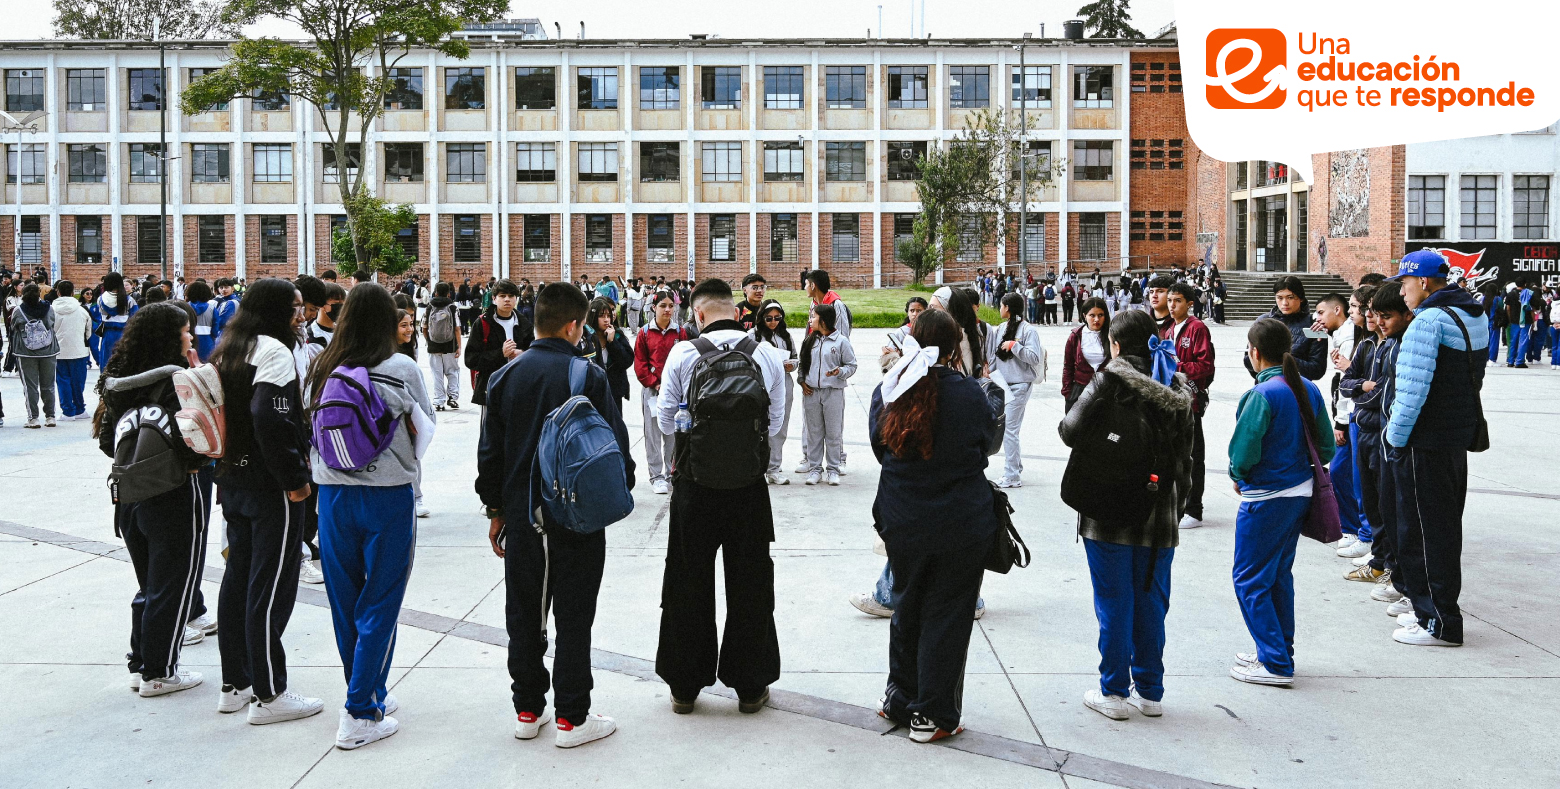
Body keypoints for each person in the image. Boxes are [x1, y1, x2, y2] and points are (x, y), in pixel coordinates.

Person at [476, 282, 634, 748]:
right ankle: (572, 717)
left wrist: (496, 509)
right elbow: (614, 448)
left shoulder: (504, 376)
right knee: (574, 616)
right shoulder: (587, 376)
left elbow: (490, 455)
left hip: (523, 517)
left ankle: (528, 710)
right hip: (577, 518)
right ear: (573, 325)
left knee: (524, 614)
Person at [305, 283, 433, 750]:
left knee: (346, 602)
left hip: (332, 495)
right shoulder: (401, 368)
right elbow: (425, 423)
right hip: (387, 495)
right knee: (381, 601)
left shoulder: (322, 365)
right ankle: (359, 710)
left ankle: (369, 691)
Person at [654, 278, 787, 717]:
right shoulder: (765, 354)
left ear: (699, 314)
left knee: (687, 582)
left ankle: (685, 688)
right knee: (750, 583)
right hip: (748, 487)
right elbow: (774, 423)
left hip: (695, 484)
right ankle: (750, 687)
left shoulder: (683, 353)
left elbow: (665, 420)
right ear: (735, 310)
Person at [870, 308, 1002, 743]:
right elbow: (987, 442)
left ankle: (899, 699)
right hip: (959, 521)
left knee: (906, 604)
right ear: (954, 345)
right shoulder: (968, 393)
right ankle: (933, 713)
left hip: (903, 516)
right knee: (947, 613)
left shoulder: (889, 388)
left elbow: (879, 446)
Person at [1059, 309, 1196, 720]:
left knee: (1113, 601)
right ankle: (1150, 691)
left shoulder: (1107, 379)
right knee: (1151, 600)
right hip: (1160, 514)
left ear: (1115, 345)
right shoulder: (1177, 386)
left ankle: (1114, 691)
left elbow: (1069, 430)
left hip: (1106, 510)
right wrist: (1180, 502)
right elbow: (1186, 457)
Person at [207, 278, 324, 724]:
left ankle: (234, 684)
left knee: (237, 581)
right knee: (270, 587)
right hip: (269, 487)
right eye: (294, 307)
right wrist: (294, 479)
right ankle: (270, 694)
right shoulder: (273, 352)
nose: (301, 315)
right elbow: (268, 417)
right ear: (275, 310)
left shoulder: (229, 347)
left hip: (232, 482)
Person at [94, 303, 210, 697]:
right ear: (169, 338)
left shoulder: (115, 380)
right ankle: (160, 672)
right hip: (173, 490)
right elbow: (197, 440)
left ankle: (140, 663)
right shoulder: (177, 381)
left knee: (149, 582)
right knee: (174, 582)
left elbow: (108, 442)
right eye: (184, 331)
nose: (190, 337)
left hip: (128, 490)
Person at [1384, 249, 1488, 647]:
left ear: (1424, 282)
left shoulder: (1428, 321)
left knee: (1421, 530)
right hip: (1454, 437)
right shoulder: (1471, 314)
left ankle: (1437, 620)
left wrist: (1395, 438)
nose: (1403, 293)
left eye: (1405, 284)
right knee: (1444, 527)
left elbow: (1412, 391)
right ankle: (1433, 609)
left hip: (1422, 441)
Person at [1227, 319, 1337, 687]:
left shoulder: (1262, 394)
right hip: (1300, 493)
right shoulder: (1307, 387)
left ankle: (1275, 661)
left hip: (1266, 497)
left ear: (1254, 352)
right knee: (1276, 576)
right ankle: (1276, 649)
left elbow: (1243, 451)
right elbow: (1326, 446)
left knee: (1249, 579)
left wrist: (1239, 475)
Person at [1342, 283, 1402, 594]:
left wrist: (1362, 390)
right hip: (1363, 429)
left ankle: (1391, 566)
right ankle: (1379, 560)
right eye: (1371, 313)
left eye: (1380, 314)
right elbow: (1346, 383)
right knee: (1369, 499)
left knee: (1385, 501)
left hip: (1382, 432)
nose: (1373, 319)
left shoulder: (1396, 347)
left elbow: (1383, 393)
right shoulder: (1367, 346)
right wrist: (1362, 387)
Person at [1318, 291, 1371, 559]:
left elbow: (1349, 382)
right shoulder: (1349, 335)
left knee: (1352, 475)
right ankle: (1356, 528)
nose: (1353, 312)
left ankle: (1361, 531)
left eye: (1354, 307)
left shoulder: (1355, 337)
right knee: (1345, 471)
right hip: (1351, 413)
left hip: (1355, 414)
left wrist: (1340, 420)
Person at [1162, 283, 1215, 528]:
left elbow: (1205, 367)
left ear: (1190, 304)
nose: (1172, 306)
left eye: (1178, 301)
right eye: (1170, 300)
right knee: (1174, 456)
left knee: (1194, 456)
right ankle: (1178, 504)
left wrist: (1176, 368)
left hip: (1191, 402)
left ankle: (1195, 508)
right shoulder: (1170, 330)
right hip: (1172, 402)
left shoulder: (1197, 329)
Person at [632, 291, 689, 495]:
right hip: (652, 392)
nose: (667, 310)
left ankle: (671, 473)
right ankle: (656, 476)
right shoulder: (645, 333)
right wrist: (655, 383)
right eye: (663, 305)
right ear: (653, 307)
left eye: (671, 306)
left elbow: (684, 361)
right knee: (653, 435)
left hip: (675, 393)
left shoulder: (679, 333)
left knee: (673, 433)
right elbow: (640, 364)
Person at [986, 292, 1044, 488]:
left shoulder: (1028, 331)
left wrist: (1015, 346)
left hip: (1020, 385)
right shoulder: (1001, 328)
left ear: (1008, 308)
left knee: (1009, 430)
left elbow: (1035, 358)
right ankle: (1015, 467)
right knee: (1008, 429)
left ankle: (1011, 476)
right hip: (1003, 384)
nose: (999, 309)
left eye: (1001, 305)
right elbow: (994, 357)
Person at [798, 303, 857, 486]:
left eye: (813, 317)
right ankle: (815, 469)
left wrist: (839, 372)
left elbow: (852, 365)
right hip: (811, 393)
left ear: (823, 320)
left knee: (833, 433)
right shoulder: (810, 341)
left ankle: (833, 469)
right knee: (813, 433)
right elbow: (802, 364)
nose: (810, 320)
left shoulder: (841, 342)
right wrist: (802, 382)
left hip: (833, 393)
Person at [750, 299, 798, 485]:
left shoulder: (785, 336)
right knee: (756, 426)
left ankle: (774, 468)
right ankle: (756, 467)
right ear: (761, 317)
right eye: (769, 318)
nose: (773, 322)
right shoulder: (752, 336)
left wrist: (790, 365)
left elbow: (795, 359)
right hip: (759, 383)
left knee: (779, 426)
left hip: (783, 383)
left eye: (777, 318)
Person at [465, 280, 535, 407]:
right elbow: (471, 360)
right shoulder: (482, 323)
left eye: (511, 296)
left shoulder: (524, 323)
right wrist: (500, 353)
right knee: (491, 426)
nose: (507, 300)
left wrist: (524, 354)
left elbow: (536, 352)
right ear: (494, 298)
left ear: (516, 299)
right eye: (502, 296)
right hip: (491, 390)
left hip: (519, 389)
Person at [1245, 276, 1328, 381]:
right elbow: (1248, 360)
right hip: (1267, 385)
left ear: (1301, 298)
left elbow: (1317, 370)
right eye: (1280, 298)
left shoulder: (1314, 325)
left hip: (1299, 389)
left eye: (1290, 297)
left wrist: (1283, 359)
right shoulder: (1263, 321)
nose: (1285, 303)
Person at [10, 283, 59, 428]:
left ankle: (33, 418)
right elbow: (52, 324)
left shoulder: (18, 310)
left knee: (30, 386)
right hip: (48, 350)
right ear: (39, 294)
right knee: (48, 385)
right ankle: (50, 417)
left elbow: (13, 327)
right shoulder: (48, 308)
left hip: (25, 352)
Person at [579, 297, 633, 409]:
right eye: (602, 316)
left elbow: (627, 361)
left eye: (608, 316)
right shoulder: (586, 339)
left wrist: (612, 343)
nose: (606, 320)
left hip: (614, 392)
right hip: (592, 395)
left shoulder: (617, 335)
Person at [51, 280, 93, 420]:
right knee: (78, 381)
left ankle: (68, 411)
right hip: (79, 350)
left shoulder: (51, 310)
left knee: (63, 380)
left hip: (58, 351)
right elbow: (89, 332)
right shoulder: (82, 310)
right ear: (72, 292)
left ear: (58, 292)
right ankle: (80, 409)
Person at [1063, 298, 1111, 412]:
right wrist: (1067, 392)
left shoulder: (1112, 335)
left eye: (1100, 315)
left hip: (1105, 392)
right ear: (1085, 316)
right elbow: (1068, 366)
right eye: (1092, 315)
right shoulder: (1075, 336)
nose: (1096, 319)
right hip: (1080, 390)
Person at [424, 282, 463, 411]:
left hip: (433, 346)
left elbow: (424, 327)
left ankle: (439, 401)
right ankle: (452, 397)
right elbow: (457, 328)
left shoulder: (429, 307)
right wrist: (459, 346)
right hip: (450, 345)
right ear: (448, 293)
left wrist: (428, 340)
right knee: (452, 372)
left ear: (435, 293)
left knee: (437, 374)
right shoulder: (452, 307)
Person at [95, 272, 138, 368]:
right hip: (125, 334)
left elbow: (98, 316)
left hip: (108, 334)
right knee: (124, 362)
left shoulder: (100, 299)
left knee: (107, 362)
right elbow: (135, 318)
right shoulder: (129, 300)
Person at [879, 297, 928, 373]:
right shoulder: (901, 332)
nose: (915, 314)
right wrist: (893, 354)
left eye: (919, 311)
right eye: (912, 311)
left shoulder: (929, 330)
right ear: (908, 312)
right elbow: (889, 357)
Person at [805, 269, 852, 337]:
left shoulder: (836, 305)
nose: (805, 288)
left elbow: (842, 335)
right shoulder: (813, 303)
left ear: (813, 285)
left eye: (806, 284)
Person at [185, 281, 220, 362]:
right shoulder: (212, 309)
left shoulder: (185, 307)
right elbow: (215, 330)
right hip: (207, 343)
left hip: (188, 342)